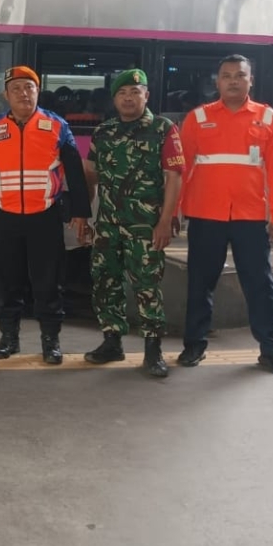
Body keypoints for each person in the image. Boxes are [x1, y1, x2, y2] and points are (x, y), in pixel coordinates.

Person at [177, 55, 273, 378]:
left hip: (250, 217)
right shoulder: (197, 118)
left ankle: (271, 351)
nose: (233, 81)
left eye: (239, 75)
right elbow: (181, 170)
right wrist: (173, 211)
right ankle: (194, 345)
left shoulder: (268, 118)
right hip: (205, 215)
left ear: (250, 81)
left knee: (260, 286)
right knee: (200, 284)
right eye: (226, 75)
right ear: (217, 82)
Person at [0, 66, 91, 365]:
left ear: (37, 91)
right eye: (16, 88)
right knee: (7, 282)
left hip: (45, 217)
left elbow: (75, 171)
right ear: (6, 95)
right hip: (5, 218)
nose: (23, 93)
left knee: (48, 283)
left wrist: (81, 212)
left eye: (29, 87)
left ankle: (50, 341)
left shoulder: (57, 126)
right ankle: (9, 338)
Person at [79, 69, 184, 378]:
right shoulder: (104, 132)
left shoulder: (163, 129)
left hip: (146, 225)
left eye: (135, 92)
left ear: (146, 96)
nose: (128, 98)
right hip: (108, 224)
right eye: (122, 93)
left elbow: (174, 177)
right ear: (114, 99)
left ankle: (153, 349)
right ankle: (112, 341)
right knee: (105, 281)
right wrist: (84, 216)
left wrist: (165, 221)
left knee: (147, 285)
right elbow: (90, 175)